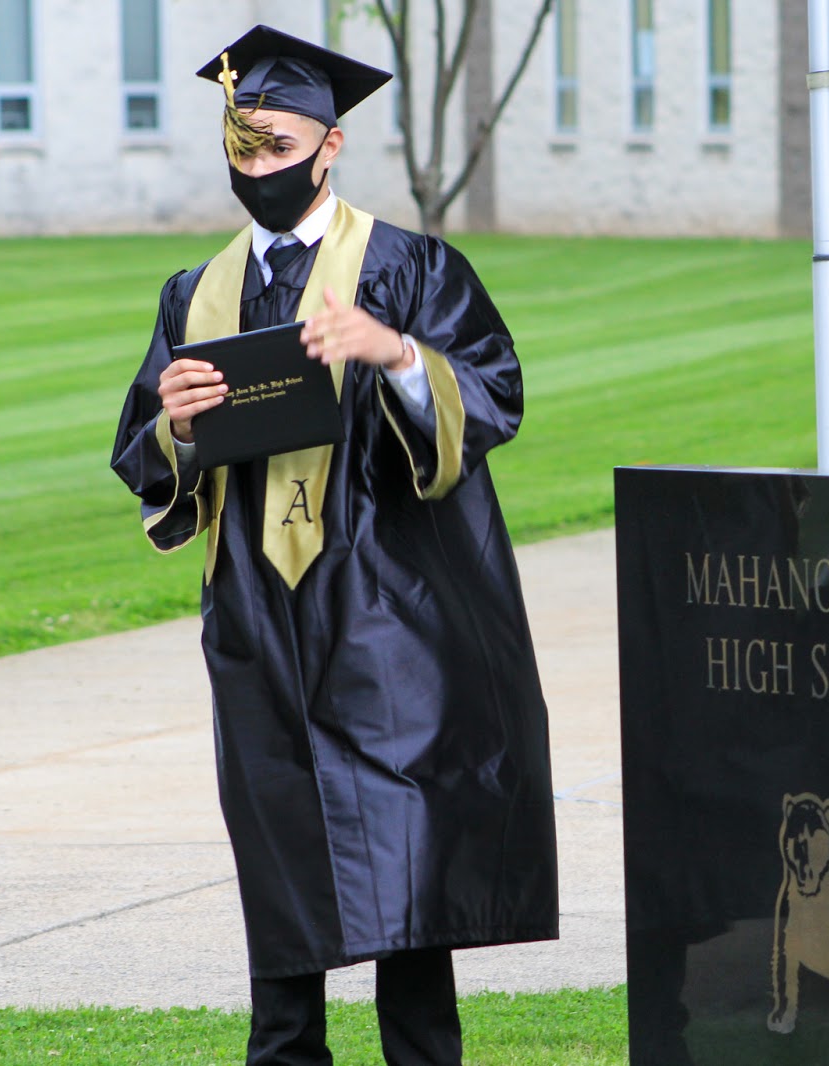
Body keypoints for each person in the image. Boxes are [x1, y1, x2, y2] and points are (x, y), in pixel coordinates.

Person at [109, 25, 558, 1066]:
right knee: (279, 862)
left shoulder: (406, 267)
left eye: (278, 147)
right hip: (259, 621)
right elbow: (142, 449)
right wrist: (172, 423)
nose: (258, 170)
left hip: (392, 610)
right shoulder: (195, 295)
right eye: (243, 151)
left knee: (407, 869)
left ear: (332, 143)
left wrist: (394, 349)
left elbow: (493, 394)